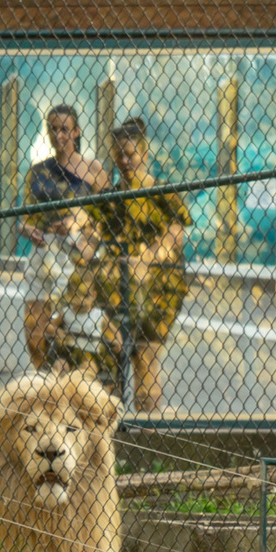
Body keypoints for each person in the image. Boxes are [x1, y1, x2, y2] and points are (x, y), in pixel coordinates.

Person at [88, 116, 190, 412]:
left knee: (144, 358)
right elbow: (92, 236)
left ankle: (147, 434)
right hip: (116, 285)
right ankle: (112, 431)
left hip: (157, 285)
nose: (124, 160)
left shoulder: (161, 191)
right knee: (110, 355)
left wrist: (145, 259)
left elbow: (175, 236)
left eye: (130, 154)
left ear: (143, 155)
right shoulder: (108, 197)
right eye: (118, 154)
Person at [19, 105, 106, 371]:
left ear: (77, 131)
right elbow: (23, 218)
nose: (60, 136)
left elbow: (108, 217)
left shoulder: (93, 170)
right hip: (44, 254)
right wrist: (26, 230)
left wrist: (79, 222)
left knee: (70, 337)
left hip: (76, 256)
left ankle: (69, 393)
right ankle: (44, 387)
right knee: (35, 332)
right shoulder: (37, 171)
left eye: (65, 129)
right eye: (54, 129)